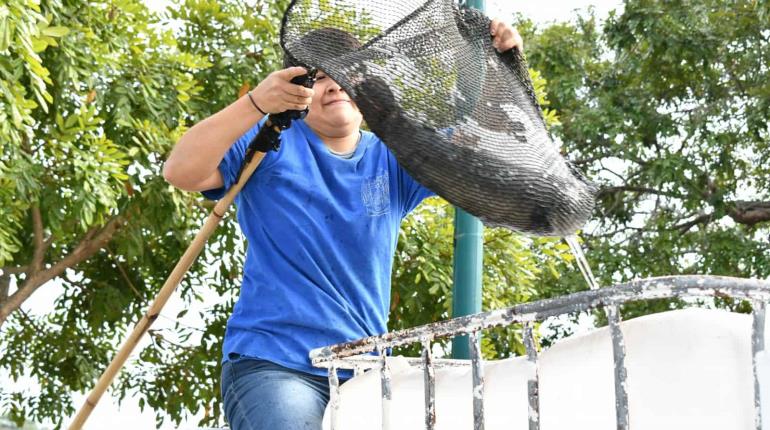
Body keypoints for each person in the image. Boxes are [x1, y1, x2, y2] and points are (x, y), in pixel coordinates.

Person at [163, 18, 523, 430]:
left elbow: (483, 140)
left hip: (367, 373)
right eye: (318, 77)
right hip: (278, 365)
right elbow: (180, 171)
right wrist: (256, 103)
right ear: (295, 89)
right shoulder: (269, 143)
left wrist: (501, 65)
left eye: (346, 73)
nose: (334, 85)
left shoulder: (393, 156)